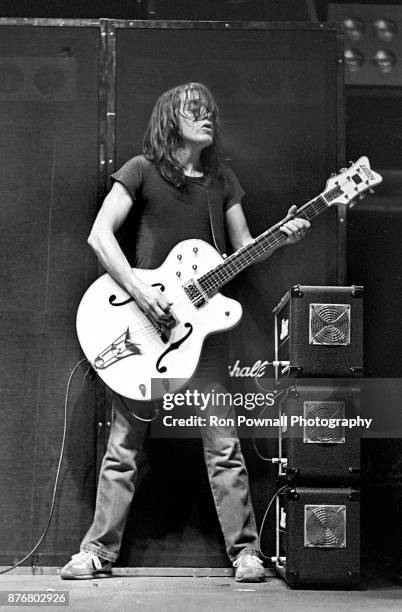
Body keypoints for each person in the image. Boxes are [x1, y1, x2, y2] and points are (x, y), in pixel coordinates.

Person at [60, 82, 310, 582]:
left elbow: (244, 252)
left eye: (210, 112)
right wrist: (139, 289)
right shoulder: (141, 170)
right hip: (144, 331)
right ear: (170, 118)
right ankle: (95, 552)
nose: (207, 118)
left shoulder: (223, 181)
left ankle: (246, 554)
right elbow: (98, 234)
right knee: (123, 448)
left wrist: (281, 236)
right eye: (195, 110)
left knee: (224, 447)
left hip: (200, 343)